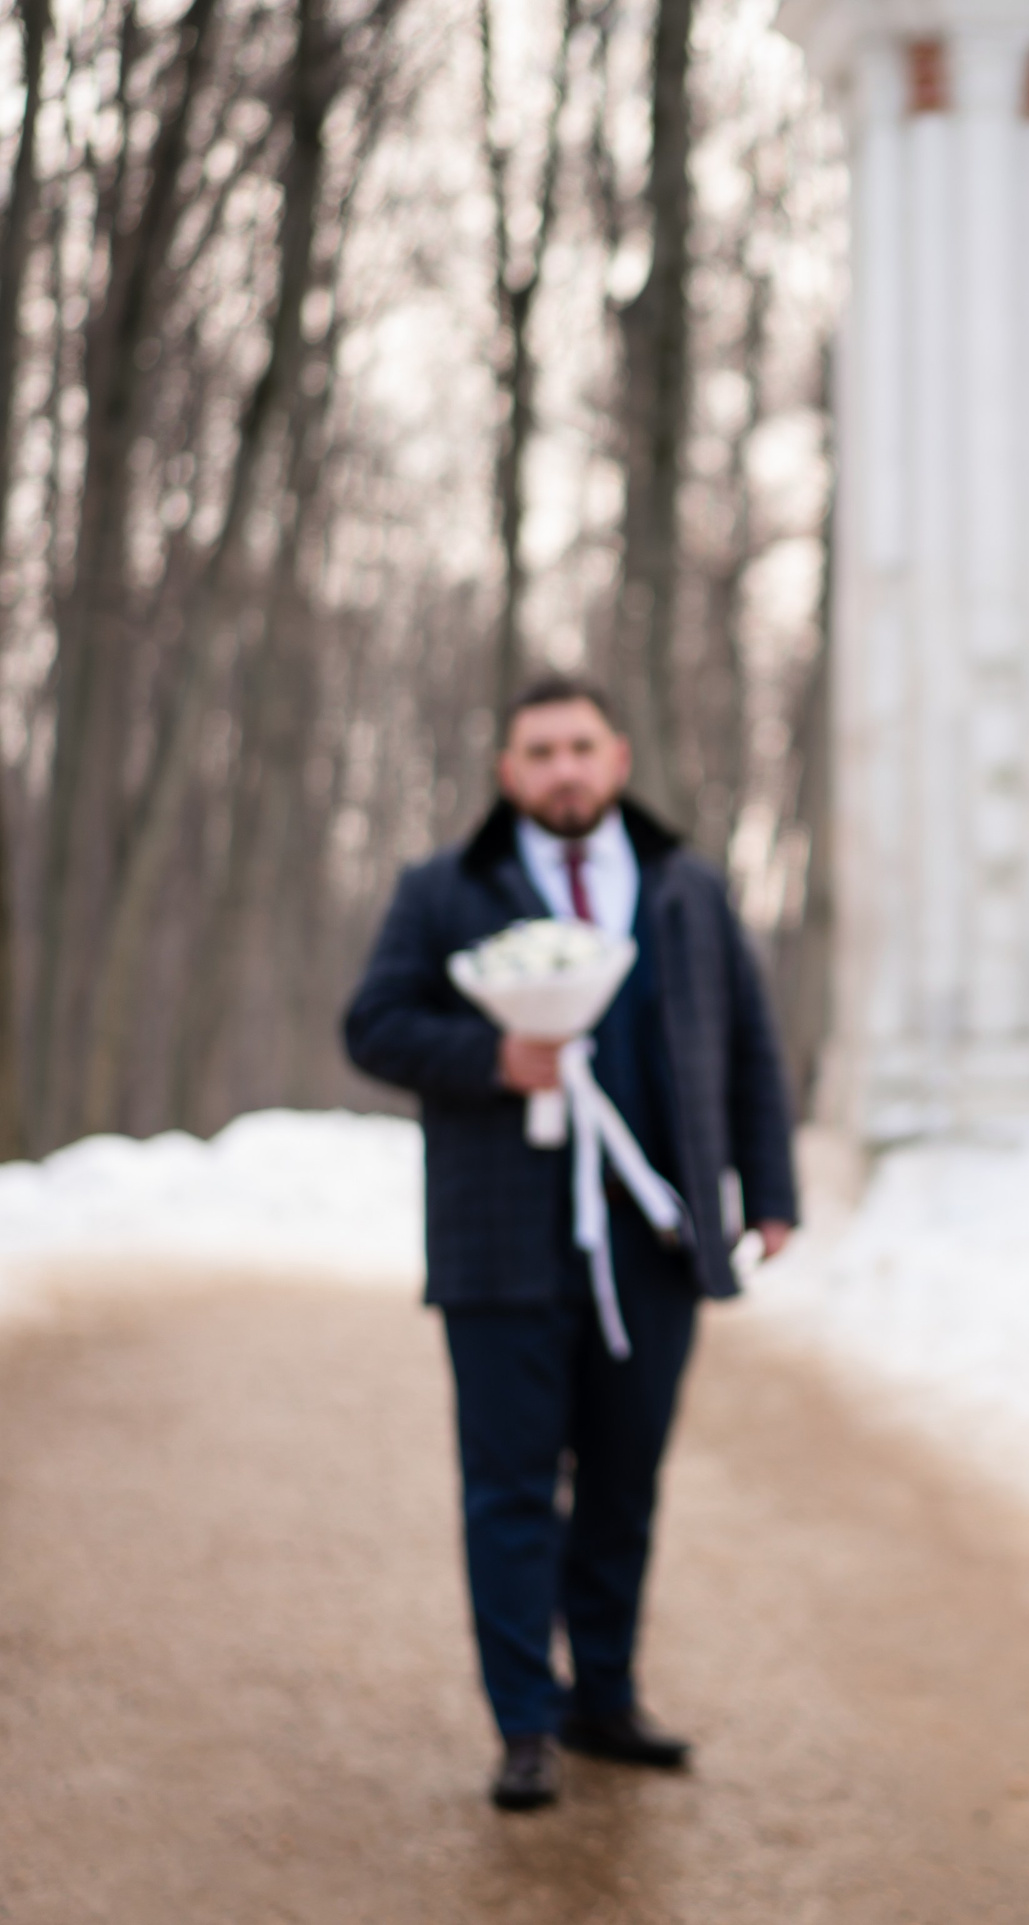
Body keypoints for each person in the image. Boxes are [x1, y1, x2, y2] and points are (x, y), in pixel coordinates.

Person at [344, 674, 798, 1812]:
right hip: (499, 1238)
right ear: (509, 772)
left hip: (656, 1235)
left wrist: (769, 1187)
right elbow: (374, 1025)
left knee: (623, 1480)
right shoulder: (444, 887)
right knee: (507, 1489)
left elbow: (747, 1039)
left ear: (618, 757)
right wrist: (491, 1059)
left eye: (580, 747)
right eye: (539, 751)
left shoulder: (686, 884)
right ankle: (524, 1722)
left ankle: (604, 1694)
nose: (563, 769)